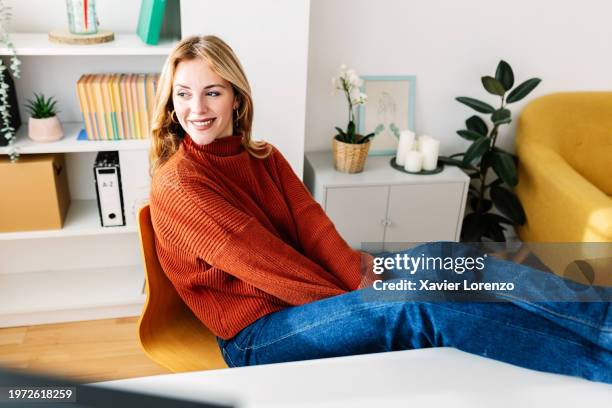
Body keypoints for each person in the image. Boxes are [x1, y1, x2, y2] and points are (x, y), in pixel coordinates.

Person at [148, 35, 612, 384]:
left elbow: (311, 225)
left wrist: (359, 273)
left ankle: (604, 320)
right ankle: (602, 363)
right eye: (184, 94)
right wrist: (358, 297)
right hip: (258, 333)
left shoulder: (262, 155)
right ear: (171, 102)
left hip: (311, 292)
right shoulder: (180, 184)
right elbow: (268, 266)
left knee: (445, 258)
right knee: (424, 303)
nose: (197, 108)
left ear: (236, 96)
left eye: (212, 91)